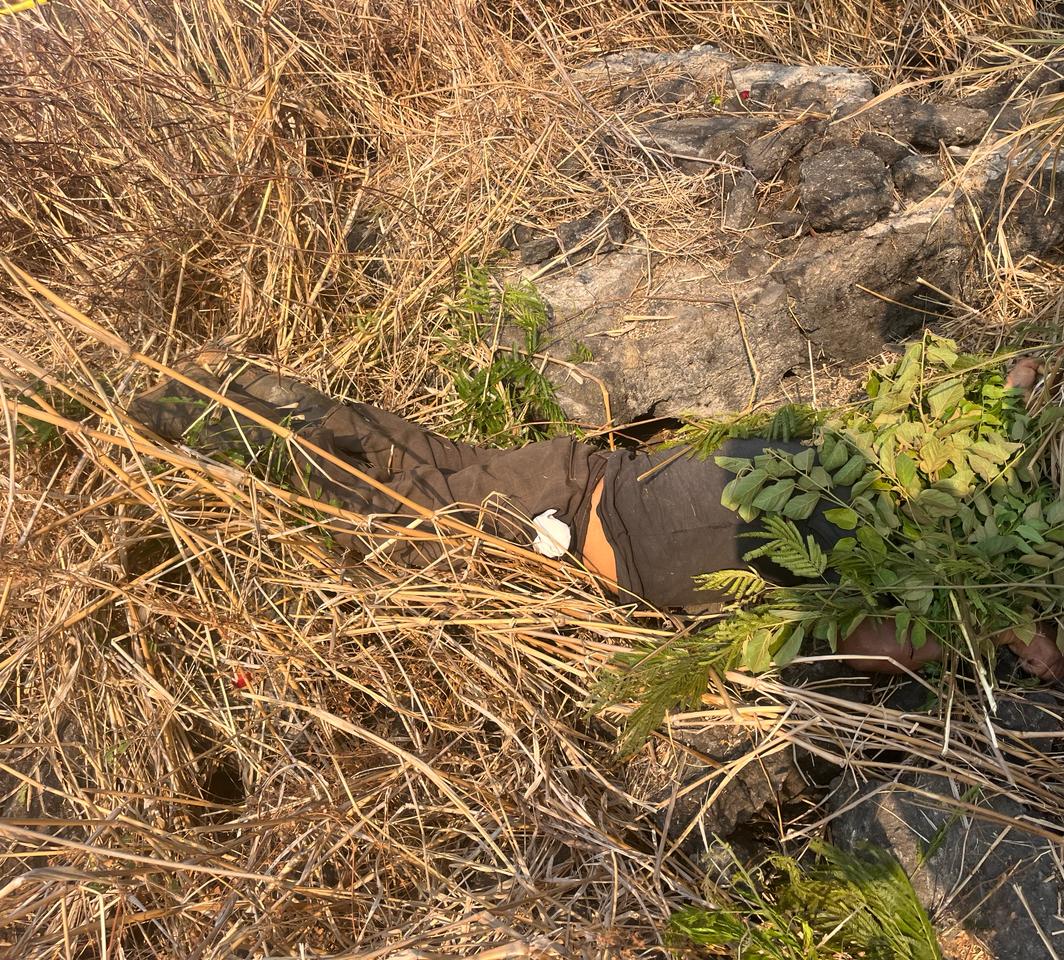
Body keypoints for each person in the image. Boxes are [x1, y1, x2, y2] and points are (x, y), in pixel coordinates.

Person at [129, 351, 1064, 680]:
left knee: (395, 454)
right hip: (571, 506)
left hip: (575, 483)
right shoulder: (917, 541)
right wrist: (993, 634)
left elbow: (984, 414)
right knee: (376, 502)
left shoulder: (910, 500)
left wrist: (989, 627)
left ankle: (185, 397)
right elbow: (882, 646)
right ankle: (177, 411)